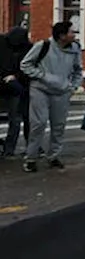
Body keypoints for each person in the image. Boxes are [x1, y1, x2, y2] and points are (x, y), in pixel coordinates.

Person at [20, 21, 82, 174]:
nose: (74, 35)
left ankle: (53, 156)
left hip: (62, 91)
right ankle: (31, 158)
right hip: (40, 89)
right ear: (62, 36)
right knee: (38, 124)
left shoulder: (75, 49)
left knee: (59, 126)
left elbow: (77, 69)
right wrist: (42, 76)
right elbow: (25, 64)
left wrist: (72, 86)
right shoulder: (44, 46)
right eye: (71, 32)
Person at [1, 26, 31, 159]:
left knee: (17, 119)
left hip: (12, 87)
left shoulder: (5, 45)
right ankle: (30, 147)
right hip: (18, 87)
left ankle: (9, 149)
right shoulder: (27, 48)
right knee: (20, 118)